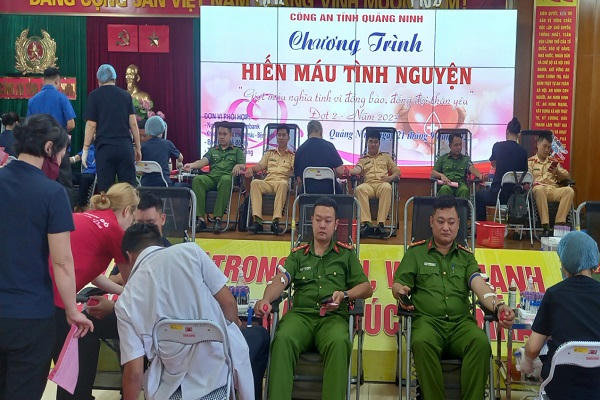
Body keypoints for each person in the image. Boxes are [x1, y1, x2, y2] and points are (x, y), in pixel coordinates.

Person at [116, 223, 269, 400]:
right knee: (260, 336)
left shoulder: (125, 301)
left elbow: (134, 373)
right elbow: (228, 303)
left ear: (129, 255)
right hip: (218, 375)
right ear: (159, 242)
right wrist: (234, 333)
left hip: (170, 387)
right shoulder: (190, 252)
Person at [0, 114, 92, 399]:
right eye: (62, 153)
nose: (62, 160)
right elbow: (62, 262)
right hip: (30, 315)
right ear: (49, 148)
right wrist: (72, 310)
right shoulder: (52, 194)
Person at [392, 195, 514, 400]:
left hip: (461, 325)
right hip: (428, 323)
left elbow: (479, 286)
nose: (446, 227)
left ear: (458, 225)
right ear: (431, 222)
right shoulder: (416, 253)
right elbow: (398, 284)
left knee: (480, 342)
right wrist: (400, 291)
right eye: (440, 222)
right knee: (421, 342)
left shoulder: (466, 257)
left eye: (451, 222)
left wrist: (499, 306)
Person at [254, 196, 373, 400]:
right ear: (311, 221)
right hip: (300, 317)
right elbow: (281, 279)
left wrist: (345, 294)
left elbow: (366, 288)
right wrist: (266, 299)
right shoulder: (298, 255)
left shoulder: (346, 255)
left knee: (339, 342)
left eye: (328, 221)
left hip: (333, 318)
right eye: (318, 219)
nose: (322, 225)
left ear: (336, 224)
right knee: (282, 339)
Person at [50, 182, 139, 400]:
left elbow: (92, 273)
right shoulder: (116, 231)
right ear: (127, 211)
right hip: (56, 300)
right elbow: (134, 283)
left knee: (72, 359)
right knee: (75, 362)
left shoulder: (84, 217)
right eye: (133, 220)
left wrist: (120, 291)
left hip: (38, 294)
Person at [521, 231, 600, 399]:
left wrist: (526, 360)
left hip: (559, 388)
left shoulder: (554, 294)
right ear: (593, 262)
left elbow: (533, 348)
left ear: (564, 263)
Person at [83, 64, 142, 192]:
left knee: (105, 191)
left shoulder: (94, 96)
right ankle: (129, 206)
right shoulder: (125, 96)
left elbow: (91, 125)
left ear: (99, 80)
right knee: (128, 190)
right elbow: (133, 124)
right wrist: (138, 147)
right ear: (114, 79)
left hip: (105, 149)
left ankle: (107, 206)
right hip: (124, 148)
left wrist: (86, 148)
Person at [183, 124, 245, 233]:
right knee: (198, 179)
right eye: (219, 134)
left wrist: (238, 166)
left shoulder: (237, 151)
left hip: (227, 178)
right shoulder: (213, 150)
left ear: (231, 135)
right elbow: (203, 161)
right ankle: (201, 219)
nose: (221, 136)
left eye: (224, 134)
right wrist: (191, 165)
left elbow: (243, 165)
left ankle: (218, 219)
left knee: (225, 180)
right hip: (212, 178)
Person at [110, 192, 171, 285]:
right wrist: (120, 278)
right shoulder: (129, 246)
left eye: (150, 223)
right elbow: (111, 278)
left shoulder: (169, 252)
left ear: (163, 219)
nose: (145, 228)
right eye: (140, 223)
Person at [349, 129, 401, 237]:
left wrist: (390, 178)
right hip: (369, 185)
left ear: (379, 143)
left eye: (376, 142)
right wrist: (349, 171)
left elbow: (397, 171)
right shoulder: (363, 159)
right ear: (367, 143)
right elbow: (358, 169)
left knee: (387, 187)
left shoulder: (386, 157)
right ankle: (367, 224)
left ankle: (380, 225)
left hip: (382, 184)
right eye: (371, 141)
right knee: (359, 189)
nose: (373, 144)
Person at [475, 117, 528, 221]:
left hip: (497, 194)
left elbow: (493, 164)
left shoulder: (497, 146)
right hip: (515, 196)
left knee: (479, 196)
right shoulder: (523, 152)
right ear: (519, 134)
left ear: (507, 131)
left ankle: (482, 226)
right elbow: (525, 175)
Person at [246, 125, 294, 234]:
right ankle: (258, 222)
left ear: (288, 137)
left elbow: (295, 170)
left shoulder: (292, 156)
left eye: (284, 135)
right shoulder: (269, 153)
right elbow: (260, 166)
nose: (281, 137)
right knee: (255, 183)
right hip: (268, 181)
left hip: (281, 183)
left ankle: (275, 222)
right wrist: (251, 169)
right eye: (279, 135)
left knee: (283, 184)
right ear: (276, 137)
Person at [528, 133, 574, 237]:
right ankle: (546, 226)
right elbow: (527, 179)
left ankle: (559, 224)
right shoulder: (530, 162)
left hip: (553, 190)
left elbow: (567, 176)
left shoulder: (554, 162)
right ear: (538, 144)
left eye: (549, 147)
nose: (546, 150)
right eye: (544, 146)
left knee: (569, 191)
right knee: (539, 189)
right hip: (539, 191)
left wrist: (557, 171)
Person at [293, 120, 344, 194]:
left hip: (307, 194)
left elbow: (299, 180)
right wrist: (333, 175)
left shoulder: (300, 149)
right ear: (321, 131)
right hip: (330, 193)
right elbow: (340, 171)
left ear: (308, 132)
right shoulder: (329, 146)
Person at [431, 133, 481, 199]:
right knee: (444, 189)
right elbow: (433, 173)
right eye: (456, 145)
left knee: (464, 190)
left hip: (460, 185)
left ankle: (463, 206)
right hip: (447, 184)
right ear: (450, 146)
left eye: (460, 144)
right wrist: (441, 175)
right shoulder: (443, 159)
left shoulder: (466, 159)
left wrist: (480, 175)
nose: (459, 147)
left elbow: (471, 168)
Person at [27, 67, 76, 134]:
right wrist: (61, 134)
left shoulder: (32, 100)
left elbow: (29, 125)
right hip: (57, 139)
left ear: (43, 81)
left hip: (38, 139)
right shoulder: (63, 98)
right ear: (56, 82)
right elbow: (71, 125)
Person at [140, 115, 183, 186]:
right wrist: (177, 161)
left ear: (147, 129)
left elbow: (139, 167)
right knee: (186, 186)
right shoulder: (167, 144)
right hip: (164, 184)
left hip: (145, 185)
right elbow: (180, 158)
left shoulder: (143, 146)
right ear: (162, 129)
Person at [70, 142, 96, 209]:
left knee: (85, 178)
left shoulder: (102, 149)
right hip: (84, 173)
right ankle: (69, 202)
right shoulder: (89, 147)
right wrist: (65, 160)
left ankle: (80, 206)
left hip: (94, 174)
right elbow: (76, 158)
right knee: (68, 176)